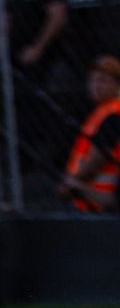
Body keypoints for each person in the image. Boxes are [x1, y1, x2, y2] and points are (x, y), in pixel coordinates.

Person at [59, 55, 120, 212]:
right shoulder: (100, 113)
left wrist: (73, 182)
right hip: (90, 197)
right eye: (93, 80)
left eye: (103, 81)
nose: (96, 86)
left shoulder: (114, 113)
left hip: (102, 197)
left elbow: (100, 155)